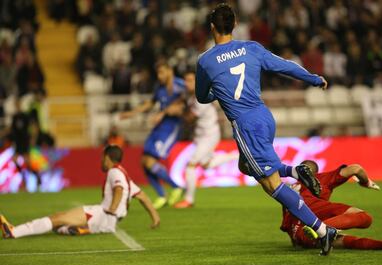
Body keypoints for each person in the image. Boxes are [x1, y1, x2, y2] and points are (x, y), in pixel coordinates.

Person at [195, 3, 336, 255]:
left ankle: (324, 230)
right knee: (245, 166)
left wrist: (218, 89)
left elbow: (201, 97)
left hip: (245, 125)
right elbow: (286, 66)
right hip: (263, 116)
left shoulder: (206, 61)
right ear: (235, 24)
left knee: (272, 185)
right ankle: (295, 170)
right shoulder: (251, 48)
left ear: (212, 27)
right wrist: (314, 78)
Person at [0, 145, 160, 239]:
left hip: (103, 214)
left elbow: (118, 190)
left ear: (108, 158)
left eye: (102, 158)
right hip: (110, 220)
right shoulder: (124, 173)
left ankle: (14, 232)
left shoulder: (114, 172)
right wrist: (155, 217)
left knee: (56, 218)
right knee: (59, 225)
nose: (101, 162)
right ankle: (79, 229)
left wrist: (112, 208)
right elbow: (143, 197)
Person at [281, 160, 382, 251]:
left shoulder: (290, 188)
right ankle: (323, 228)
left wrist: (296, 242)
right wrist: (365, 182)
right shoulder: (320, 178)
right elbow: (356, 169)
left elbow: (286, 219)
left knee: (341, 241)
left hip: (299, 234)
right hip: (316, 211)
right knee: (365, 218)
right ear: (316, 172)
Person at [120, 61, 185, 209]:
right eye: (158, 73)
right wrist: (131, 113)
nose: (159, 76)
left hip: (171, 127)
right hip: (159, 127)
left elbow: (185, 102)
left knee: (149, 161)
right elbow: (150, 103)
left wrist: (164, 113)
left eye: (162, 72)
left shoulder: (180, 86)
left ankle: (176, 187)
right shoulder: (159, 87)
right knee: (144, 161)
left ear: (170, 70)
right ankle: (162, 196)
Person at [174, 71, 239, 208]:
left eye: (191, 80)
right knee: (206, 164)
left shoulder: (200, 97)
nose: (187, 83)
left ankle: (188, 200)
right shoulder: (190, 96)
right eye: (186, 80)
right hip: (201, 136)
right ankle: (236, 155)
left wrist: (177, 112)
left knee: (191, 165)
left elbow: (190, 118)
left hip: (209, 135)